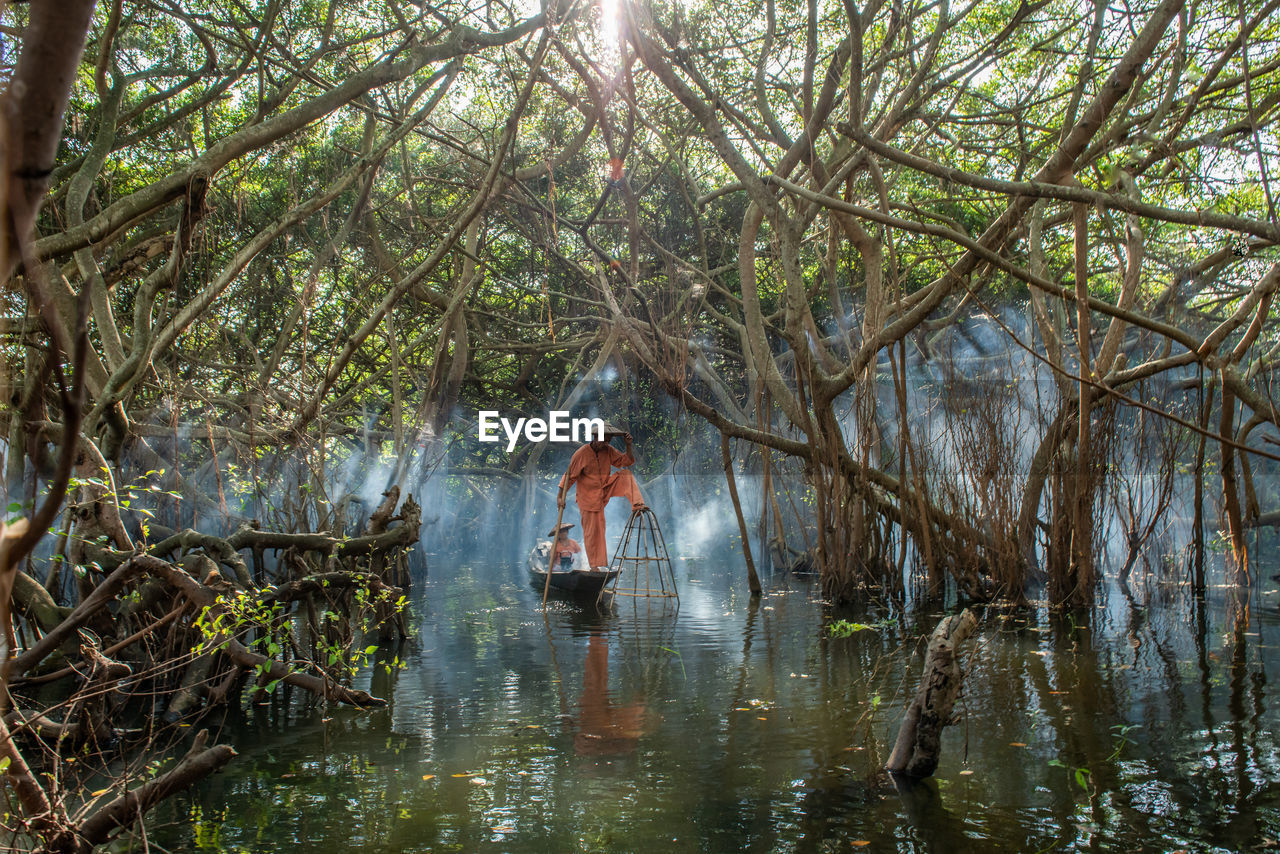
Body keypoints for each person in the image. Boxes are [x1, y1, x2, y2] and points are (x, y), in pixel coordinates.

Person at [557, 424, 647, 570]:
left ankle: (637, 505)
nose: (605, 443)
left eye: (608, 441)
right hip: (587, 499)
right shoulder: (581, 454)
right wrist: (560, 496)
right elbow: (569, 477)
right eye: (603, 440)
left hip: (604, 490)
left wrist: (628, 446)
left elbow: (627, 461)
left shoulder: (608, 450)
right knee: (593, 533)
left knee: (626, 475)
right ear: (595, 437)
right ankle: (595, 566)